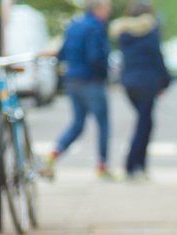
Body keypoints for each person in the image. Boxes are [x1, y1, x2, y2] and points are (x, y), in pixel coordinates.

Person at [46, 0, 113, 180]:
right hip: (91, 81)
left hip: (73, 80)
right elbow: (95, 56)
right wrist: (104, 74)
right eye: (107, 7)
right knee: (103, 124)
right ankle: (102, 166)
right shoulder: (96, 27)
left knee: (77, 123)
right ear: (98, 9)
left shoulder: (74, 25)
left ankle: (53, 155)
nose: (109, 11)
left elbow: (63, 53)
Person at [110, 0, 170, 181]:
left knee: (144, 123)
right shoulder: (151, 32)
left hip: (129, 83)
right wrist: (165, 81)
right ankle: (133, 166)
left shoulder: (124, 33)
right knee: (144, 125)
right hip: (147, 83)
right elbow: (157, 58)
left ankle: (138, 166)